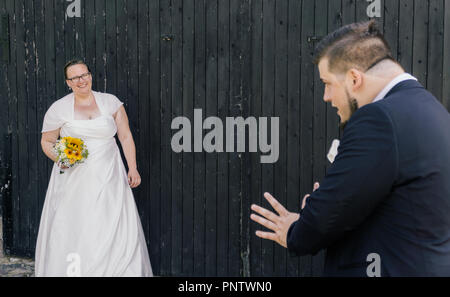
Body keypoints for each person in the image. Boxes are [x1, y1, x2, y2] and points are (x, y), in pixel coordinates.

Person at [250, 20, 450, 276]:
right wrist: (330, 200)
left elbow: (328, 215)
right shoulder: (434, 111)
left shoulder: (379, 119)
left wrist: (295, 229)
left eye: (328, 83)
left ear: (354, 78)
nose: (326, 96)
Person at [35, 60, 153, 277]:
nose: (81, 81)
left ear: (90, 75)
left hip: (110, 175)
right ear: (68, 82)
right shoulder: (58, 108)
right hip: (74, 179)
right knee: (77, 225)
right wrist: (60, 158)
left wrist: (133, 168)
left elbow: (125, 136)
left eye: (84, 75)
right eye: (75, 78)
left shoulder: (111, 102)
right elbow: (47, 141)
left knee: (111, 223)